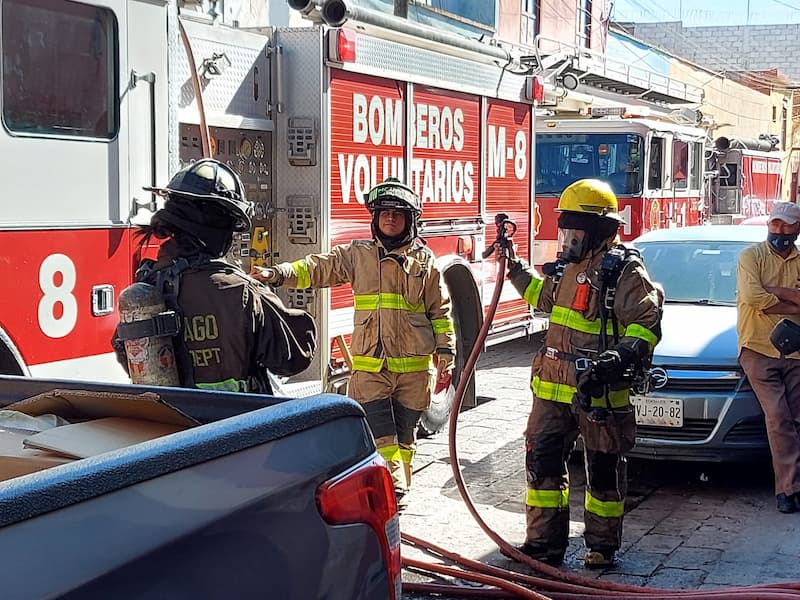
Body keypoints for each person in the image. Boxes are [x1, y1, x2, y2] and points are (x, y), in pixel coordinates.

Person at [251, 177, 456, 502]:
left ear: (411, 221)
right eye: (384, 213)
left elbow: (440, 311)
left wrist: (447, 352)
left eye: (397, 214)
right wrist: (279, 274)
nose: (390, 218)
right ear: (374, 219)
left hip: (415, 372)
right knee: (381, 432)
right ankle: (392, 488)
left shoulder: (425, 266)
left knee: (405, 437)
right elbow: (318, 268)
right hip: (371, 367)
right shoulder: (357, 256)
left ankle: (396, 487)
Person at [499, 179, 662, 568]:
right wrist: (515, 268)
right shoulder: (567, 268)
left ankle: (601, 546)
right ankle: (543, 544)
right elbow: (545, 299)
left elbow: (646, 322)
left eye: (576, 230)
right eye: (565, 229)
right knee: (542, 465)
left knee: (603, 472)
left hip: (599, 391)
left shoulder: (623, 271)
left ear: (600, 231)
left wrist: (615, 361)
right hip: (552, 389)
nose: (568, 238)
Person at [113, 158, 317, 393]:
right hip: (236, 424)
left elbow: (125, 351)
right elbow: (293, 357)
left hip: (173, 425)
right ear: (220, 227)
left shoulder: (147, 287)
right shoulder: (241, 292)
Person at [736, 201, 800, 514]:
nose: (780, 230)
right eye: (775, 224)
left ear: (797, 227)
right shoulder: (751, 256)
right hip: (759, 349)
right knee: (778, 418)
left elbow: (762, 298)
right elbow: (752, 297)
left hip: (796, 352)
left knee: (795, 420)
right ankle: (787, 490)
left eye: (787, 225)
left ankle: (793, 486)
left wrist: (774, 292)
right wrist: (794, 301)